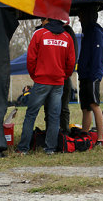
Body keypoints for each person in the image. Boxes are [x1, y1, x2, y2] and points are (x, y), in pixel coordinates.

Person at [17, 18, 75, 155]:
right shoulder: (67, 37)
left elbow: (30, 58)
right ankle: (50, 149)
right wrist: (63, 76)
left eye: (43, 19)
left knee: (31, 114)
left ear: (48, 20)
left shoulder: (39, 34)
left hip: (42, 80)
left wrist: (35, 76)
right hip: (58, 82)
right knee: (54, 116)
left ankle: (23, 148)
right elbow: (71, 62)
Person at [44, 21, 78, 133]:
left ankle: (64, 132)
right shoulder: (41, 31)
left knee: (63, 106)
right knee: (49, 106)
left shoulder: (67, 31)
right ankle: (50, 131)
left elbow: (73, 55)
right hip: (46, 77)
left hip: (63, 76)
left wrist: (67, 73)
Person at [77, 7, 103, 144]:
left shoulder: (96, 31)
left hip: (92, 74)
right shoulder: (87, 32)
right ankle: (84, 134)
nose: (79, 18)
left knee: (94, 104)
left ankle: (100, 138)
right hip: (84, 74)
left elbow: (97, 56)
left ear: (88, 16)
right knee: (85, 107)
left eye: (81, 15)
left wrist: (94, 75)